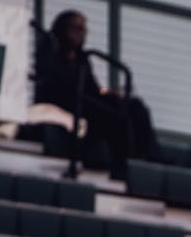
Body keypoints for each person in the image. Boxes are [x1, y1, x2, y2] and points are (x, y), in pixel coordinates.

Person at [32, 10, 162, 178]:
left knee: (134, 105)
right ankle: (124, 166)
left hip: (87, 101)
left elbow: (93, 89)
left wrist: (111, 94)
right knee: (116, 118)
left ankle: (152, 157)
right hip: (67, 104)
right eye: (76, 28)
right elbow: (55, 89)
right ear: (63, 29)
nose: (81, 34)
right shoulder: (51, 56)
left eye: (83, 29)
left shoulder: (83, 59)